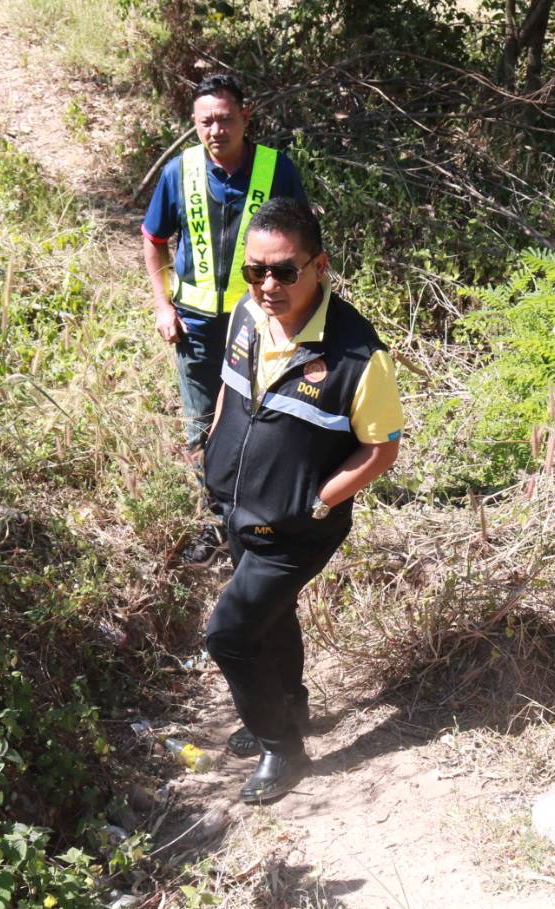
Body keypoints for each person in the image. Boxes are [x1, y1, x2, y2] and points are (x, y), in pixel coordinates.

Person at [201, 197, 404, 803]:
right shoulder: (247, 314)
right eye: (255, 270)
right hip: (238, 507)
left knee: (229, 635)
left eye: (284, 271)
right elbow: (229, 388)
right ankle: (288, 703)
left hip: (295, 528)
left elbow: (381, 449)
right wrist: (212, 450)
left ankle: (282, 748)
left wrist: (318, 501)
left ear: (319, 266)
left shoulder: (358, 357)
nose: (268, 285)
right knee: (271, 614)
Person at [141, 73, 310, 566]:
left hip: (259, 322)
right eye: (206, 122)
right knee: (200, 426)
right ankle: (215, 523)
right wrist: (163, 305)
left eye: (225, 119)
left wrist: (298, 311)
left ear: (245, 117)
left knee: (260, 421)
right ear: (195, 124)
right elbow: (153, 238)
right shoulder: (179, 171)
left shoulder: (277, 169)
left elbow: (301, 245)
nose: (216, 130)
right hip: (194, 325)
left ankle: (259, 521)